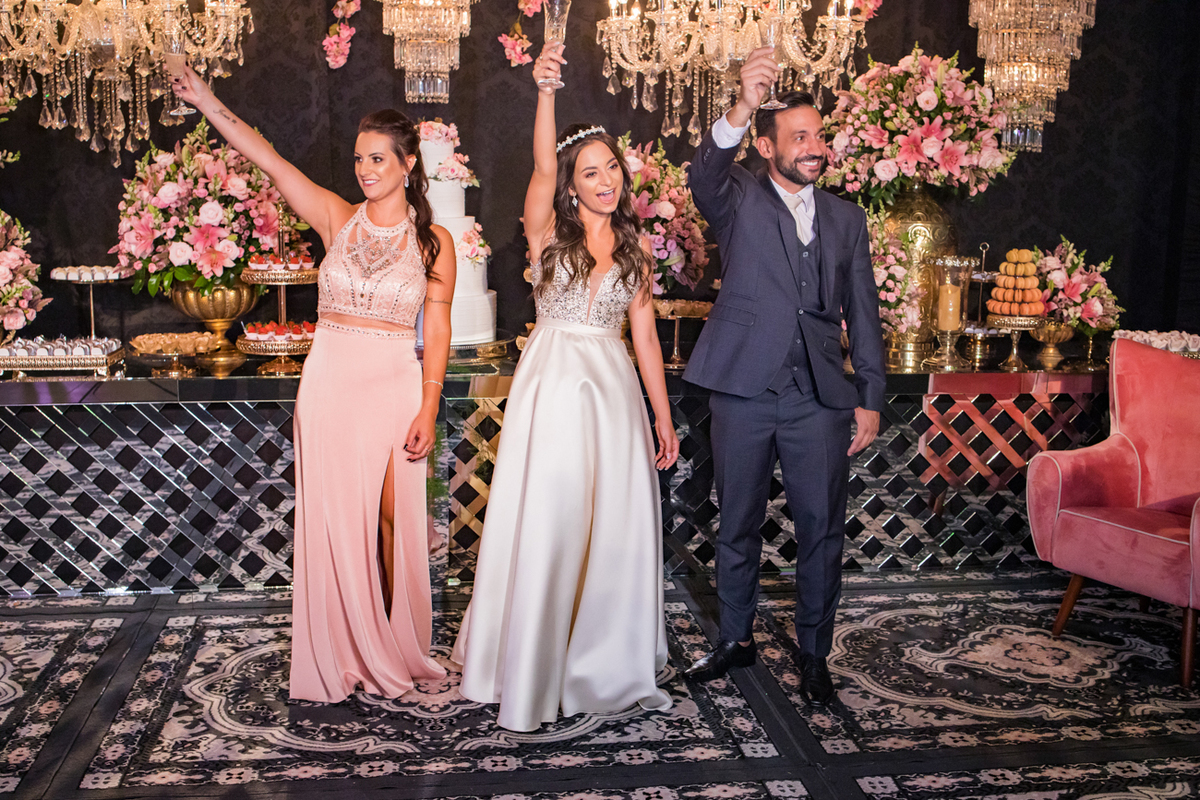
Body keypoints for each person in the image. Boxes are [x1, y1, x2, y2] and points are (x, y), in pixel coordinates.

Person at [171, 68, 457, 703]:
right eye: (359, 159)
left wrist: (428, 406)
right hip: (329, 383)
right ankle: (344, 649)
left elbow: (436, 330)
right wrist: (207, 101)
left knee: (396, 520)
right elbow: (268, 159)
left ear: (408, 164)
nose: (365, 169)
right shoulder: (336, 217)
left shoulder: (435, 241)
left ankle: (394, 643)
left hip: (394, 384)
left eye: (377, 158)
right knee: (337, 522)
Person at [451, 42, 679, 732]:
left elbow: (645, 340)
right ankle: (530, 665)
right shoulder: (547, 230)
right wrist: (546, 92)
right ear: (572, 185)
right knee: (551, 521)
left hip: (613, 395)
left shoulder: (636, 249)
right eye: (590, 171)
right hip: (553, 388)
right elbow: (542, 165)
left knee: (609, 528)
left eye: (611, 167)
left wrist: (662, 418)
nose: (605, 180)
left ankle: (600, 660)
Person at [681, 48, 885, 706]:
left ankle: (814, 654)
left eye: (818, 135)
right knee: (736, 523)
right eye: (799, 137)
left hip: (819, 399)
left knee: (821, 529)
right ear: (766, 146)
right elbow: (704, 172)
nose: (814, 147)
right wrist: (744, 102)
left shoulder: (847, 219)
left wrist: (870, 396)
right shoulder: (737, 196)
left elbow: (864, 313)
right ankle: (735, 638)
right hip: (743, 389)